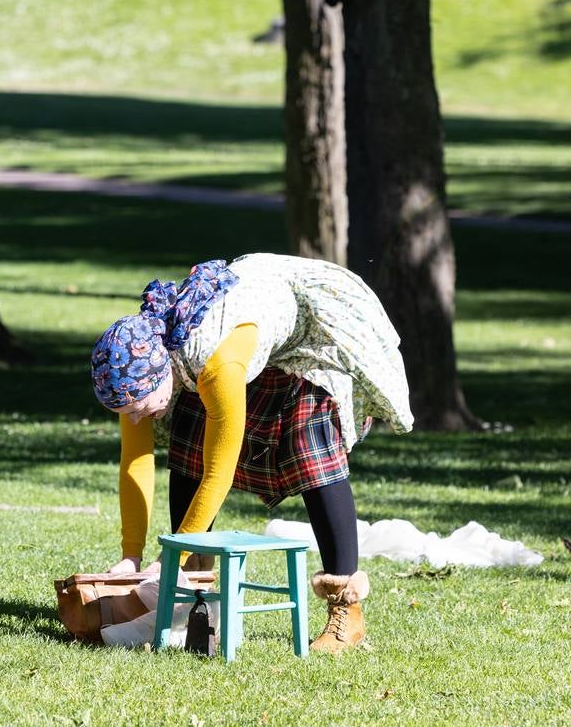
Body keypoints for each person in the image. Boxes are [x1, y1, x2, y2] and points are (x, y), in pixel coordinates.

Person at [90, 254, 414, 653]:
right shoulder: (132, 376)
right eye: (126, 412)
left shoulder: (216, 365)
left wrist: (170, 555)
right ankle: (192, 597)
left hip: (310, 325)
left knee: (310, 448)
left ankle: (345, 609)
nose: (136, 417)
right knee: (189, 431)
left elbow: (218, 472)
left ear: (162, 373)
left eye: (139, 406)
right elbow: (135, 462)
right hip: (251, 332)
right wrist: (131, 555)